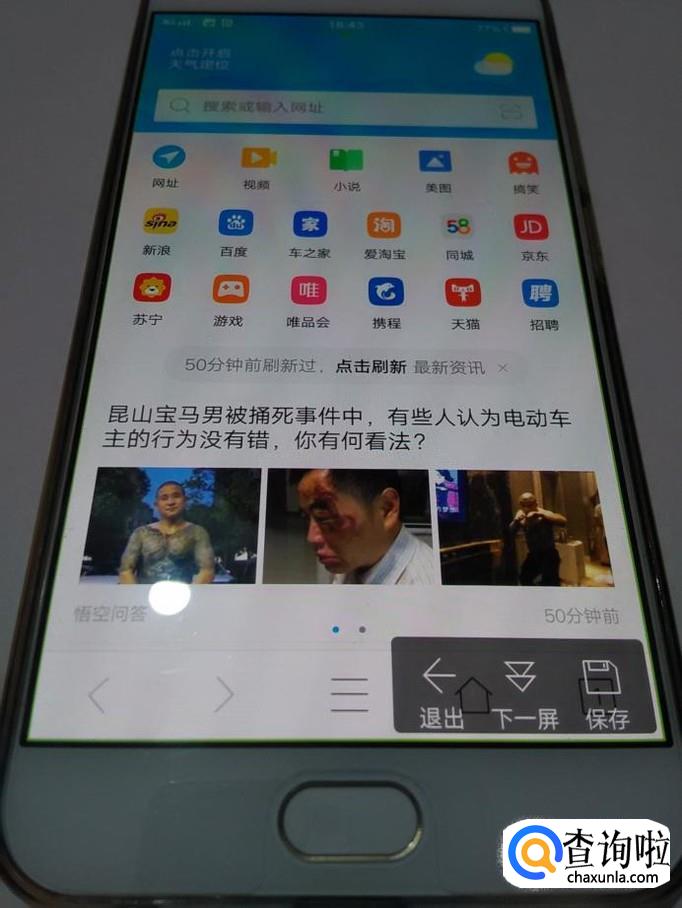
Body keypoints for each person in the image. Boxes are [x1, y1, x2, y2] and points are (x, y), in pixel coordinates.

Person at [296, 469, 435, 584]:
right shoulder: (353, 559)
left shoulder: (425, 586)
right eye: (307, 517)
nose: (311, 538)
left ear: (386, 508)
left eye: (325, 517)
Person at [119, 481, 215, 584]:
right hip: (146, 592)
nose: (170, 502)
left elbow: (207, 571)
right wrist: (136, 592)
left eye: (176, 496)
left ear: (185, 501)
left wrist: (192, 592)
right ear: (156, 504)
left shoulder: (197, 532)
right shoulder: (141, 533)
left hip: (184, 592)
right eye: (164, 498)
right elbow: (125, 571)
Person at [508, 491, 567, 586]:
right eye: (524, 505)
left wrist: (542, 515)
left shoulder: (543, 513)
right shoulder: (522, 517)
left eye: (530, 505)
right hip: (534, 555)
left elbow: (563, 521)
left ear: (536, 504)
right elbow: (510, 532)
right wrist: (516, 521)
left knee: (550, 584)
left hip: (549, 554)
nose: (527, 508)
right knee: (524, 578)